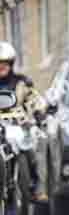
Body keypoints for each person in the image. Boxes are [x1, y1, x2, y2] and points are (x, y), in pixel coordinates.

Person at [0, 41, 48, 201]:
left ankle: (35, 186)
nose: (2, 67)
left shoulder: (22, 83)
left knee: (30, 150)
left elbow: (34, 100)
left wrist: (40, 114)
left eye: (5, 63)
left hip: (17, 125)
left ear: (11, 64)